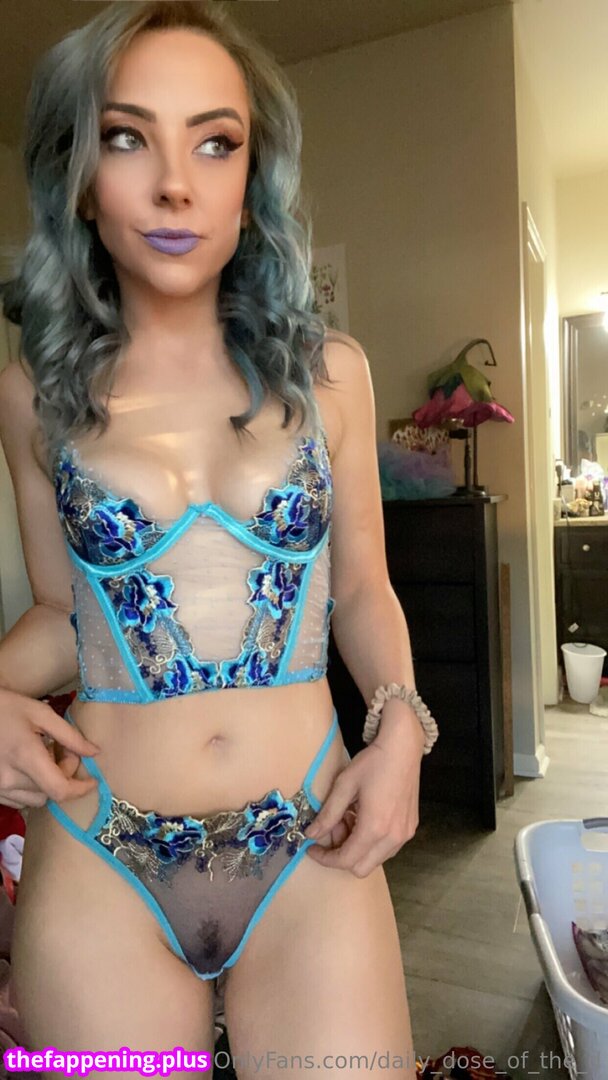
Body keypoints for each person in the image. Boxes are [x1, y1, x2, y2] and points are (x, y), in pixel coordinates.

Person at [0, 2, 435, 1074]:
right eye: (126, 137)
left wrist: (399, 729)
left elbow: (359, 591)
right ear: (80, 178)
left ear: (253, 173)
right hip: (100, 853)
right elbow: (63, 614)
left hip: (309, 843)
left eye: (214, 141)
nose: (174, 184)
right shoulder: (31, 397)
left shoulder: (331, 375)